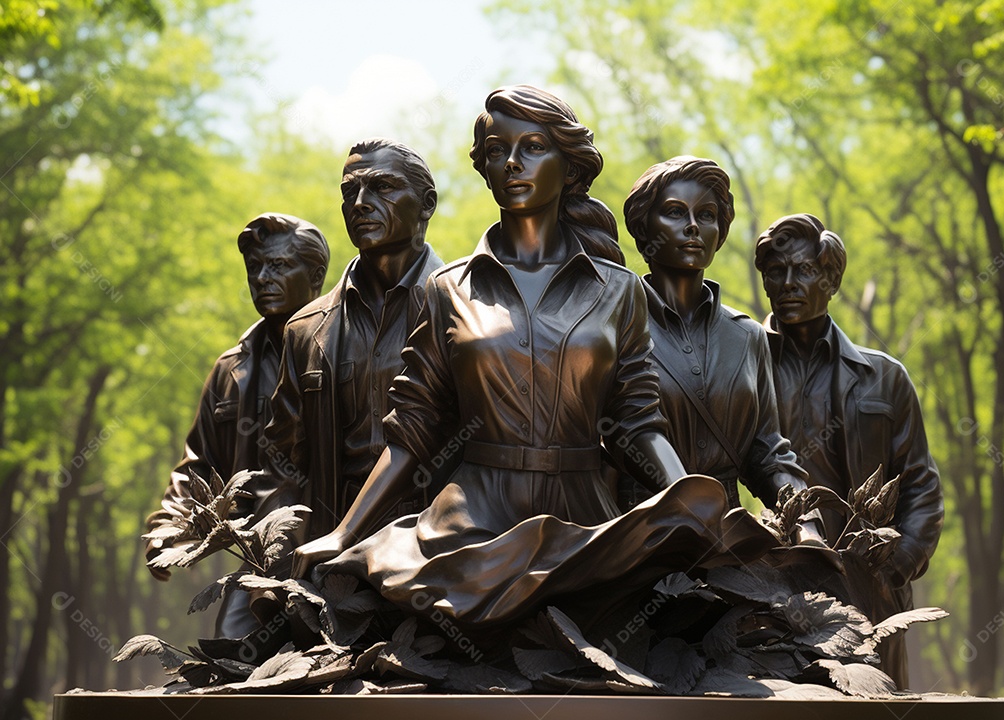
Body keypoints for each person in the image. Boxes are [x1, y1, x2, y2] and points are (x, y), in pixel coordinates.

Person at [290, 86, 792, 631]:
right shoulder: (448, 289)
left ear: (568, 166)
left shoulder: (618, 292)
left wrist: (686, 504)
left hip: (586, 526)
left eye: (532, 147)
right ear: (483, 166)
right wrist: (345, 532)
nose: (512, 163)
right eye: (497, 150)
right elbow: (413, 430)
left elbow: (639, 422)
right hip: (468, 529)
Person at [755, 212, 944, 687]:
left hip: (872, 596)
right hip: (773, 594)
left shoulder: (886, 377)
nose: (789, 283)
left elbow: (921, 490)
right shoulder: (742, 370)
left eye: (804, 270)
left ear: (832, 278)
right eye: (776, 272)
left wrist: (890, 572)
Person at [145, 213, 329, 638]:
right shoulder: (231, 370)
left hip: (340, 547)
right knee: (232, 647)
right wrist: (167, 528)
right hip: (260, 557)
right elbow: (198, 464)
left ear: (316, 276)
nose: (263, 278)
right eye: (255, 268)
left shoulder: (345, 350)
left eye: (279, 266)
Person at [263, 139, 446, 541]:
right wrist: (277, 556)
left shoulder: (469, 310)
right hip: (332, 555)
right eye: (350, 192)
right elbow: (282, 465)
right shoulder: (306, 329)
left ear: (427, 204)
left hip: (440, 554)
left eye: (382, 187)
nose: (360, 202)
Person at [621, 156, 807, 511]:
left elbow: (767, 451)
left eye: (706, 215)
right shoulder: (615, 326)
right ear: (644, 229)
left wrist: (805, 519)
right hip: (637, 534)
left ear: (720, 231)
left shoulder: (747, 336)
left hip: (727, 537)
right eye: (675, 212)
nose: (693, 226)